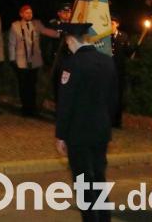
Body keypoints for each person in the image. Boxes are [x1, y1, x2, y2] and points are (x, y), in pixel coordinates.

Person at [55, 22, 118, 222]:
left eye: (67, 42)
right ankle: (104, 218)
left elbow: (65, 102)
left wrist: (60, 135)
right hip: (101, 129)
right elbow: (114, 98)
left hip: (78, 133)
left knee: (83, 182)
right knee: (99, 178)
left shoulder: (72, 64)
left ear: (71, 40)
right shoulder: (107, 61)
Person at [8, 5, 59, 117]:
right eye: (26, 13)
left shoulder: (36, 24)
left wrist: (60, 34)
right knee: (23, 85)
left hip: (34, 60)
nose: (29, 14)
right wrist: (12, 59)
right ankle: (25, 108)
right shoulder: (15, 26)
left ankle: (32, 108)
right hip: (21, 60)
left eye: (30, 12)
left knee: (32, 85)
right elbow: (12, 44)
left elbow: (47, 31)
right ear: (21, 14)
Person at [46, 2, 73, 105]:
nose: (67, 14)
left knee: (69, 85)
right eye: (64, 12)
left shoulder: (73, 25)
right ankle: (59, 110)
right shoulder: (53, 24)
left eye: (69, 12)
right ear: (59, 13)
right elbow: (48, 42)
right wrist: (48, 59)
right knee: (58, 85)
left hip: (70, 59)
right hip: (58, 59)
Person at [110, 16, 133, 129]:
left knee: (118, 96)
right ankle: (107, 119)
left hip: (119, 72)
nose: (110, 25)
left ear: (117, 24)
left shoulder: (123, 36)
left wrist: (134, 48)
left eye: (112, 23)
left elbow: (129, 53)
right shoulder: (105, 37)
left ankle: (117, 122)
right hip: (107, 71)